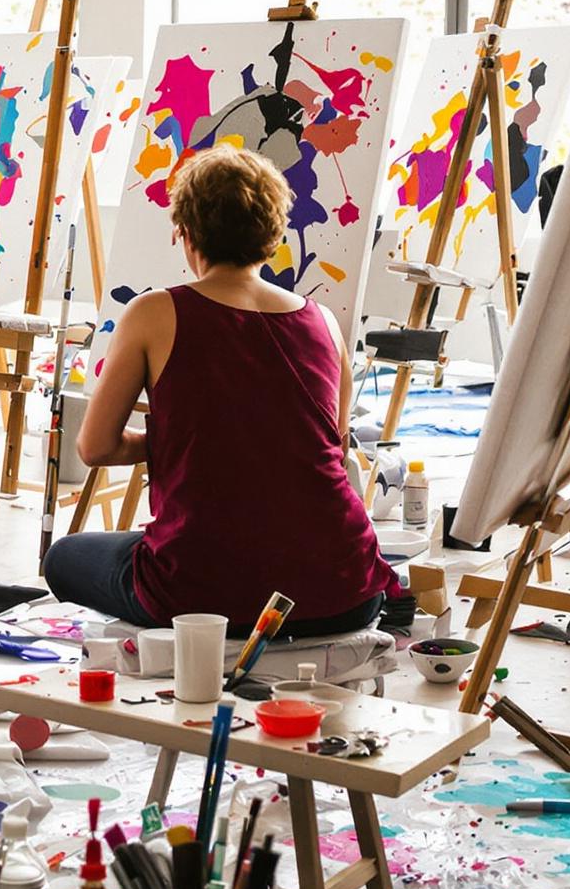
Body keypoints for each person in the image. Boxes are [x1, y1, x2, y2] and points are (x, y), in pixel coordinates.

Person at [46, 147, 396, 634]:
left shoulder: (154, 312)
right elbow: (331, 447)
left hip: (204, 593)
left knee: (64, 557)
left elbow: (95, 447)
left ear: (185, 232)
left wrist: (182, 443)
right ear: (272, 236)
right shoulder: (323, 322)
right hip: (346, 591)